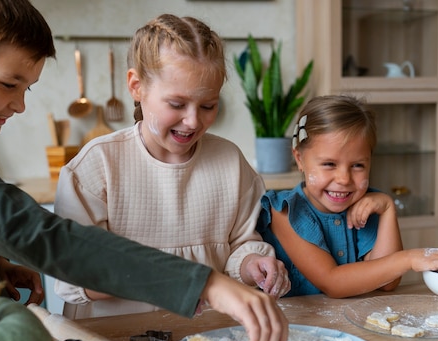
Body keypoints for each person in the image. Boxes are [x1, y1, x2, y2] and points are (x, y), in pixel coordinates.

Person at [0, 0, 287, 341]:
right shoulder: (88, 167)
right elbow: (54, 242)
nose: (20, 105)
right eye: (8, 84)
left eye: (27, 89)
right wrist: (206, 284)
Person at [53, 14, 290, 319]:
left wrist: (250, 266)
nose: (192, 120)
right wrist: (186, 282)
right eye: (177, 105)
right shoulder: (97, 167)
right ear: (136, 86)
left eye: (208, 106)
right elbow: (76, 276)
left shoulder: (231, 163)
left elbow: (241, 246)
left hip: (204, 338)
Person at [257, 95, 438, 297]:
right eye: (329, 164)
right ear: (300, 159)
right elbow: (333, 283)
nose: (344, 178)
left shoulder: (367, 205)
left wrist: (387, 209)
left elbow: (387, 283)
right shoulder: (283, 210)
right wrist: (410, 258)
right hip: (295, 326)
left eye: (358, 165)